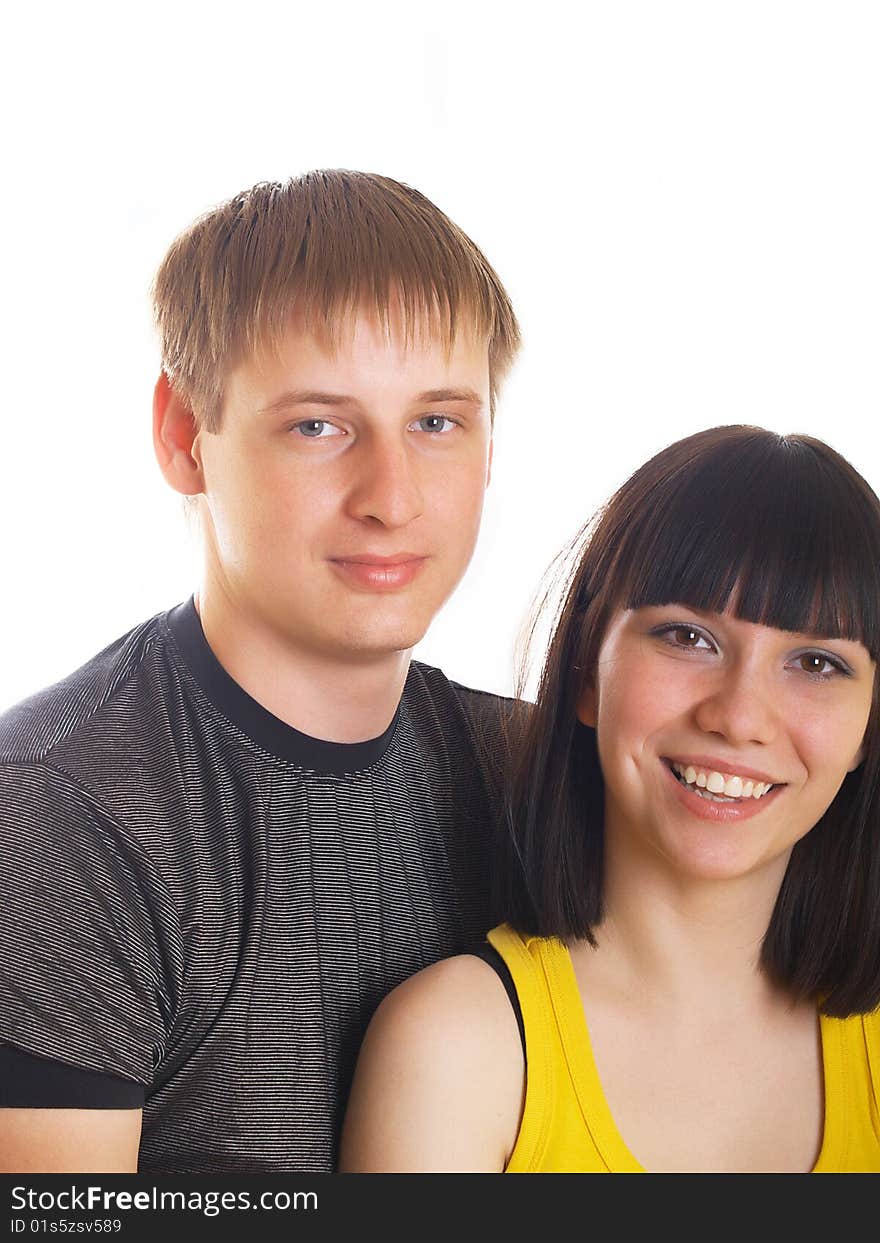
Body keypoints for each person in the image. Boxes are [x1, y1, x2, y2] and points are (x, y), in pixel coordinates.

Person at [0, 170, 523, 1173]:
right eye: (318, 425)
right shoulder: (62, 816)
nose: (391, 496)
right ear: (181, 434)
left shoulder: (525, 769)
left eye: (437, 422)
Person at [340, 424, 880, 1174]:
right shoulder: (459, 1051)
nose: (739, 716)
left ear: (867, 730)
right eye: (688, 638)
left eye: (817, 662)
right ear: (588, 672)